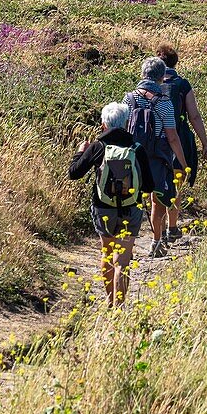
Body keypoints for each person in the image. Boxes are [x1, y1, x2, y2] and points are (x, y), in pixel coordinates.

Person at [69, 102, 155, 306]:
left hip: (103, 207)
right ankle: (120, 307)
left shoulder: (98, 147)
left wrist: (81, 152)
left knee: (107, 253)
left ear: (103, 125)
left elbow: (74, 173)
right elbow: (149, 186)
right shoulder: (136, 149)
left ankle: (109, 303)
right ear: (126, 123)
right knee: (123, 261)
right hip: (130, 208)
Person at [124, 57, 190, 258]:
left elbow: (124, 126)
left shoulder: (130, 98)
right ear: (162, 77)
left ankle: (128, 246)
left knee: (131, 199)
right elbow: (172, 136)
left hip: (133, 154)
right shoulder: (164, 102)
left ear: (143, 74)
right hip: (158, 156)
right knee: (157, 200)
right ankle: (156, 242)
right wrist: (183, 162)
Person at [156, 44, 207, 243]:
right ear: (175, 62)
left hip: (155, 141)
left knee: (156, 185)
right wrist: (205, 143)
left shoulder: (149, 85)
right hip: (180, 138)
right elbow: (194, 116)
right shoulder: (183, 85)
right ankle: (172, 227)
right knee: (176, 183)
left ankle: (159, 231)